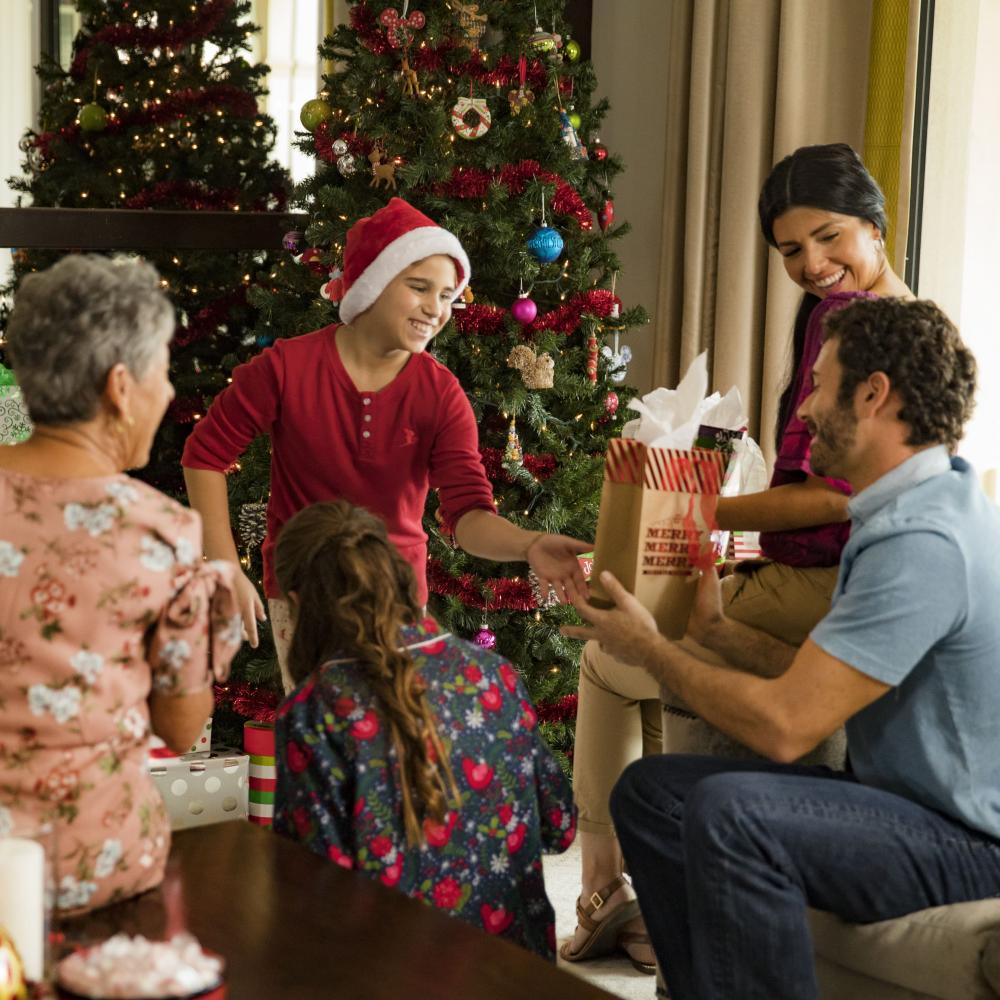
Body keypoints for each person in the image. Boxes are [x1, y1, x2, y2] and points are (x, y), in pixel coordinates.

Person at [565, 296, 1000, 1000]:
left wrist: (651, 649)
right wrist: (713, 634)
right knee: (650, 794)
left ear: (873, 393)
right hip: (905, 807)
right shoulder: (907, 511)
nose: (802, 411)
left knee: (732, 815)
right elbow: (823, 683)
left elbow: (788, 725)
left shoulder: (923, 542)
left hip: (965, 841)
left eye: (818, 386)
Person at [560, 142, 913, 972]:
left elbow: (834, 497)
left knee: (613, 655)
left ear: (873, 220)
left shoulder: (866, 328)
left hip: (824, 581)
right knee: (651, 635)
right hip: (805, 568)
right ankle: (634, 899)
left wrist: (685, 506)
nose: (814, 264)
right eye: (791, 250)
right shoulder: (878, 311)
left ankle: (606, 891)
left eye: (829, 239)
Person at [182, 197, 589, 693]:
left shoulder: (440, 394)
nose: (435, 309)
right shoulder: (285, 369)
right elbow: (204, 455)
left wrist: (529, 544)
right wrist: (224, 563)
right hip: (302, 596)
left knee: (393, 754)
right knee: (328, 750)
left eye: (446, 296)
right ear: (372, 283)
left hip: (398, 604)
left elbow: (468, 517)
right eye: (418, 288)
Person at [0, 255, 241, 914]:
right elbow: (182, 724)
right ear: (120, 387)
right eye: (162, 371)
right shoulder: (160, 531)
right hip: (91, 863)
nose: (168, 395)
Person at [271, 500, 576, 960]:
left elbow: (315, 895)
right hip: (515, 976)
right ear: (399, 578)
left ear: (297, 602)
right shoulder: (495, 676)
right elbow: (560, 826)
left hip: (387, 978)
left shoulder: (316, 712)